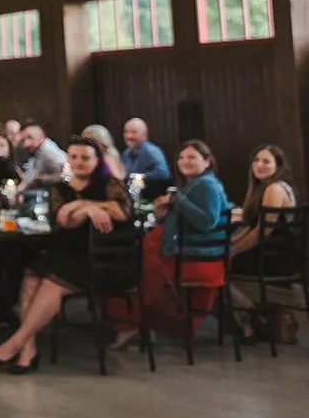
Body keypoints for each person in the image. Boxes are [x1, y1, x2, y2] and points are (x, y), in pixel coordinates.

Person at [0, 135, 130, 373]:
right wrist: (81, 208)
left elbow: (122, 211)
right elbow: (66, 222)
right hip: (66, 255)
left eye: (86, 157)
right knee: (31, 278)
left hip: (103, 262)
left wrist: (81, 205)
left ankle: (15, 343)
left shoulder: (110, 184)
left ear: (97, 160)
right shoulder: (60, 190)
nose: (79, 162)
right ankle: (27, 351)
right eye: (73, 157)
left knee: (52, 280)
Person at [109, 140, 230, 348]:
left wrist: (177, 200)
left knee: (130, 268)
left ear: (208, 161)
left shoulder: (207, 186)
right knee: (134, 259)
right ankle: (139, 322)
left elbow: (207, 221)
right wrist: (165, 214)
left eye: (192, 157)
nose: (185, 161)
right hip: (190, 252)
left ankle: (130, 321)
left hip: (193, 258)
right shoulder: (197, 184)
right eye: (181, 157)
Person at [228, 144, 298, 338]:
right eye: (256, 161)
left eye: (266, 161)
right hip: (268, 254)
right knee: (216, 262)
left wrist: (232, 251)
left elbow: (261, 233)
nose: (259, 165)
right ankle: (250, 317)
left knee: (213, 269)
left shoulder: (274, 189)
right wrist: (231, 243)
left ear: (279, 166)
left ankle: (253, 316)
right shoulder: (264, 187)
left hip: (273, 260)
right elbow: (248, 226)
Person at [121, 117, 170, 185]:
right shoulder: (126, 153)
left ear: (144, 135)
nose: (128, 136)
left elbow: (164, 174)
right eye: (126, 132)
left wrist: (137, 177)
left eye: (134, 132)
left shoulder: (152, 152)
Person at [17, 123, 67, 190]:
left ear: (41, 136)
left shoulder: (49, 152)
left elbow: (63, 176)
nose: (26, 144)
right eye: (23, 140)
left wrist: (39, 179)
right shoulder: (38, 150)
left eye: (30, 137)